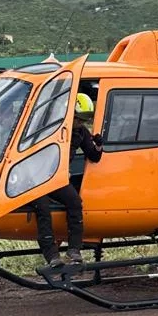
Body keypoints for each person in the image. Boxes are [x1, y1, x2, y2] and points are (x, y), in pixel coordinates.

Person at [32, 92, 103, 269]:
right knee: (43, 210)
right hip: (36, 178)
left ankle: (74, 250)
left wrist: (99, 145)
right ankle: (51, 256)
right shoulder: (50, 127)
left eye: (84, 120)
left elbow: (93, 156)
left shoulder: (81, 132)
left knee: (75, 203)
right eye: (78, 119)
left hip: (57, 179)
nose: (80, 123)